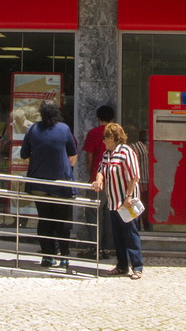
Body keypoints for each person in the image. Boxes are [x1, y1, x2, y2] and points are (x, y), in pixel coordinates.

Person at [19, 100, 77, 267]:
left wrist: (36, 161)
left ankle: (47, 256)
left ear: (41, 113)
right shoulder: (64, 129)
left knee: (44, 219)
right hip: (61, 183)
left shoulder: (33, 130)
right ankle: (64, 256)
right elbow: (73, 153)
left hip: (38, 183)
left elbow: (24, 155)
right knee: (61, 221)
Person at [91, 122, 144, 280]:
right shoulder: (107, 154)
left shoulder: (126, 152)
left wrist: (128, 196)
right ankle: (122, 265)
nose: (103, 140)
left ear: (113, 138)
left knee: (130, 234)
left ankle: (137, 267)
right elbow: (101, 170)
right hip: (113, 202)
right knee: (118, 236)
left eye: (105, 137)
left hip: (126, 202)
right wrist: (98, 180)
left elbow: (134, 176)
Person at [79, 104, 115, 258]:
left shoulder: (94, 133)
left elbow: (89, 157)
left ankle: (95, 247)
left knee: (92, 212)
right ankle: (107, 248)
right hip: (113, 181)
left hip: (97, 179)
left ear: (98, 118)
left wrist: (91, 175)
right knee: (109, 214)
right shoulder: (116, 134)